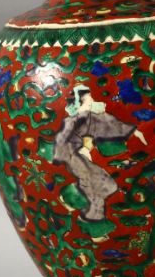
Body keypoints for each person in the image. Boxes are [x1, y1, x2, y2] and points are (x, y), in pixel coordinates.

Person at [54, 86, 145, 221]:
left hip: (82, 155)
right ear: (79, 102)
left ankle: (83, 206)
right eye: (87, 100)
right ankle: (86, 209)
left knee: (105, 183)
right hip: (75, 156)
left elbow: (110, 124)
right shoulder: (73, 121)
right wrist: (83, 149)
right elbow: (63, 143)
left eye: (90, 99)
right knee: (95, 180)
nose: (91, 102)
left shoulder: (92, 118)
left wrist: (133, 131)